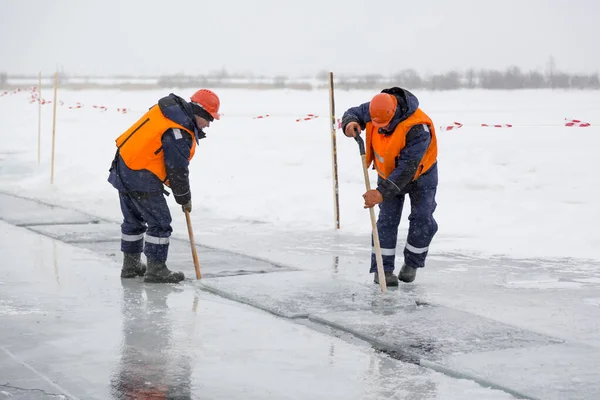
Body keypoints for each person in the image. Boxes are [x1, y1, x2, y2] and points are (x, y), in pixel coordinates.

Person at [108, 89, 220, 283]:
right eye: (209, 118)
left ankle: (131, 265)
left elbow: (160, 157)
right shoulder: (178, 129)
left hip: (123, 166)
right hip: (140, 174)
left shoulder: (167, 114)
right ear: (199, 112)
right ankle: (156, 269)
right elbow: (176, 169)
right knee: (160, 222)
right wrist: (184, 197)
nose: (209, 124)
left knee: (133, 220)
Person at [341, 87, 438, 286]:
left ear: (395, 113)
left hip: (421, 175)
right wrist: (350, 122)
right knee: (387, 221)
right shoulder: (378, 108)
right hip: (387, 171)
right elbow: (354, 112)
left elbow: (407, 168)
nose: (382, 128)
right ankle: (382, 269)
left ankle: (412, 263)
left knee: (423, 219)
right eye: (378, 125)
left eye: (385, 125)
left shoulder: (418, 128)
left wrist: (380, 193)